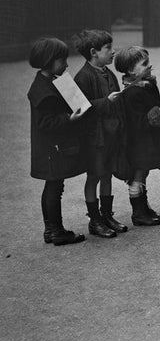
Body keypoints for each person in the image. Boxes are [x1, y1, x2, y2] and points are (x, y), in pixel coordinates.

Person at [27, 37, 88, 246]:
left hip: (50, 146)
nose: (66, 64)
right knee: (54, 186)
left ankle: (50, 229)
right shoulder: (43, 90)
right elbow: (46, 122)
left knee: (53, 185)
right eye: (62, 60)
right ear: (49, 60)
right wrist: (68, 118)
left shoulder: (49, 80)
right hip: (50, 147)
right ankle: (56, 231)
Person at [73, 29, 127, 239]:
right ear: (94, 52)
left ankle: (107, 215)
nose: (113, 52)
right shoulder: (83, 77)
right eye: (109, 49)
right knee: (94, 175)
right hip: (96, 137)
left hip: (111, 133)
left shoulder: (108, 71)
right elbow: (79, 108)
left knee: (107, 174)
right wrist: (106, 102)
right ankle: (94, 220)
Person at [114, 46, 160, 226]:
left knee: (143, 173)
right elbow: (137, 121)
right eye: (144, 64)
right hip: (138, 141)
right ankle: (138, 212)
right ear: (131, 70)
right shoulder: (131, 93)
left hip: (146, 139)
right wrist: (158, 111)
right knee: (138, 175)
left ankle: (144, 208)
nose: (149, 66)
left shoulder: (146, 84)